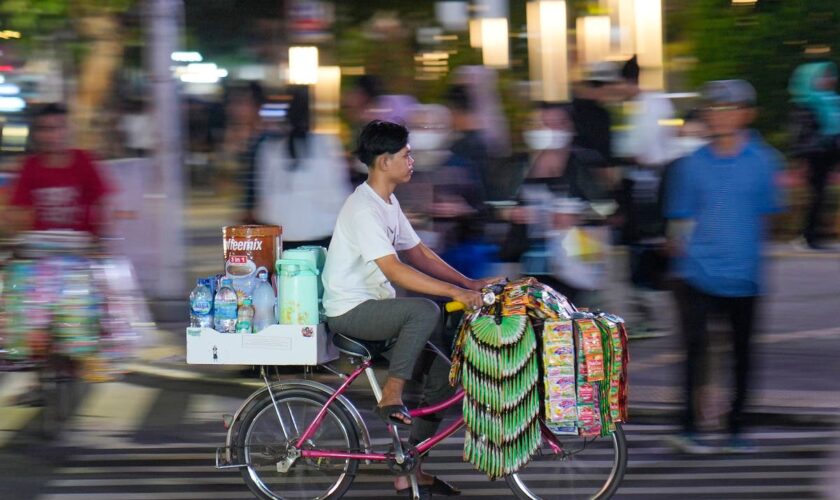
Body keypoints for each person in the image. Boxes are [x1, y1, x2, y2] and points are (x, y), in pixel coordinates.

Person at [322, 120, 493, 496]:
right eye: (406, 155)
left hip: (375, 308)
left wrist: (468, 284)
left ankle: (409, 468)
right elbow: (396, 269)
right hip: (352, 310)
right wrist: (454, 292)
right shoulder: (363, 208)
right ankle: (392, 393)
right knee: (423, 312)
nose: (411, 160)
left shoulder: (388, 202)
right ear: (384, 162)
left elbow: (418, 252)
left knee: (444, 378)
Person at [664, 80, 782, 453]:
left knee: (742, 356)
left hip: (745, 276)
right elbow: (679, 219)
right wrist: (678, 262)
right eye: (714, 109)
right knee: (695, 353)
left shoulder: (765, 162)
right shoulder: (692, 164)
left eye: (729, 108)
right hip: (697, 274)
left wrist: (752, 257)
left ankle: (736, 428)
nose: (720, 116)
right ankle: (690, 426)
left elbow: (769, 218)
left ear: (747, 114)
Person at [499, 103, 605, 303]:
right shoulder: (517, 165)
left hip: (574, 263)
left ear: (570, 127)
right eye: (543, 124)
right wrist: (510, 213)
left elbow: (607, 207)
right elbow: (494, 205)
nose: (550, 130)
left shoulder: (584, 163)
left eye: (557, 124)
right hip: (527, 259)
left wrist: (578, 215)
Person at [614, 55, 677, 338]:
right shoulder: (652, 104)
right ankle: (649, 313)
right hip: (646, 185)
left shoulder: (648, 106)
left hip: (651, 186)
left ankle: (651, 316)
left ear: (628, 81)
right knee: (643, 249)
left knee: (645, 249)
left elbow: (643, 150)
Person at [251, 85, 350, 249]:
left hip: (280, 234)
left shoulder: (269, 147)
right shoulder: (327, 144)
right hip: (322, 231)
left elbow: (263, 194)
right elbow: (337, 193)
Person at [9, 103, 111, 236]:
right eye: (46, 129)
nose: (54, 135)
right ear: (37, 135)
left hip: (81, 247)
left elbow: (103, 204)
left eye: (60, 127)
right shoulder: (29, 166)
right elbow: (18, 211)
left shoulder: (85, 161)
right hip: (41, 247)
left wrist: (101, 236)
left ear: (69, 130)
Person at [788, 61, 840, 250]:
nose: (828, 80)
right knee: (815, 198)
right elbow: (800, 135)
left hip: (829, 155)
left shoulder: (833, 102)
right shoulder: (805, 104)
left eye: (829, 75)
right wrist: (800, 161)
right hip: (814, 156)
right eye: (822, 76)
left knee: (822, 197)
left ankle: (815, 236)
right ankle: (808, 237)